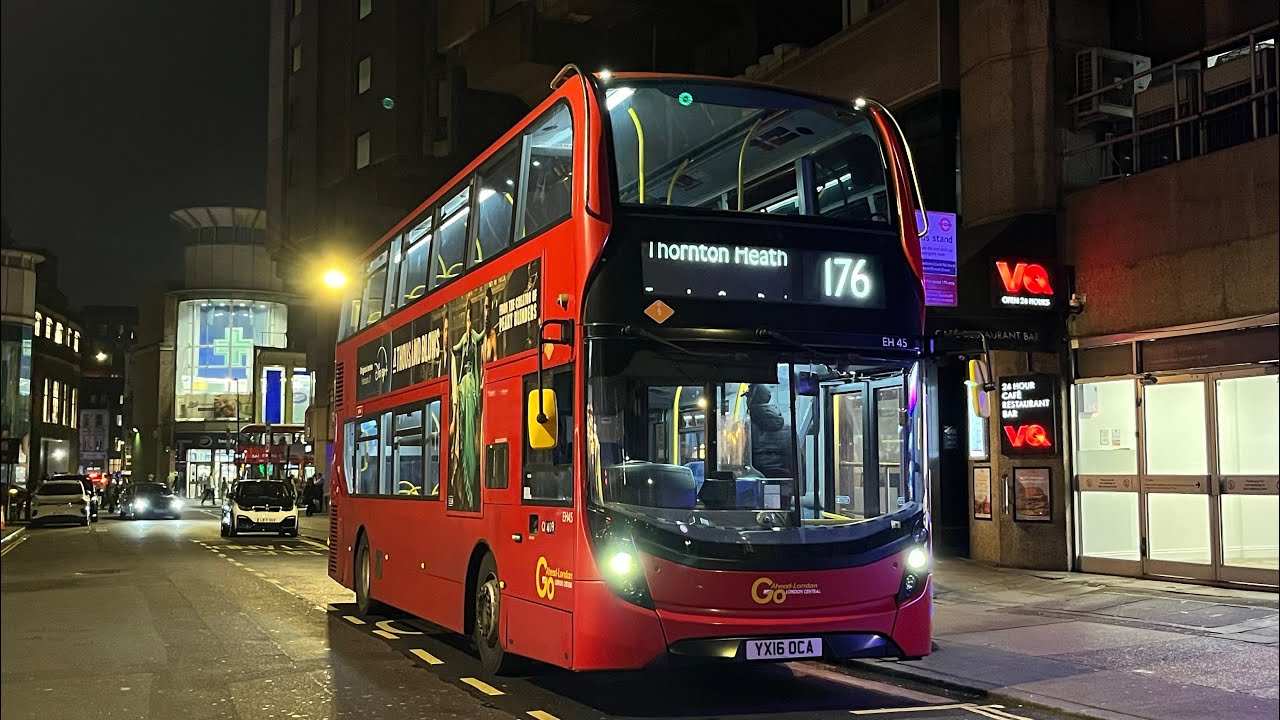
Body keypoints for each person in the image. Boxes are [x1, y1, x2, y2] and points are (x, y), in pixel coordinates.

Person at [747, 384, 792, 478]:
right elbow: (797, 461)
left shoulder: (744, 430)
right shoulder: (788, 430)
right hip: (785, 484)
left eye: (748, 397)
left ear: (751, 399)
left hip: (754, 484)